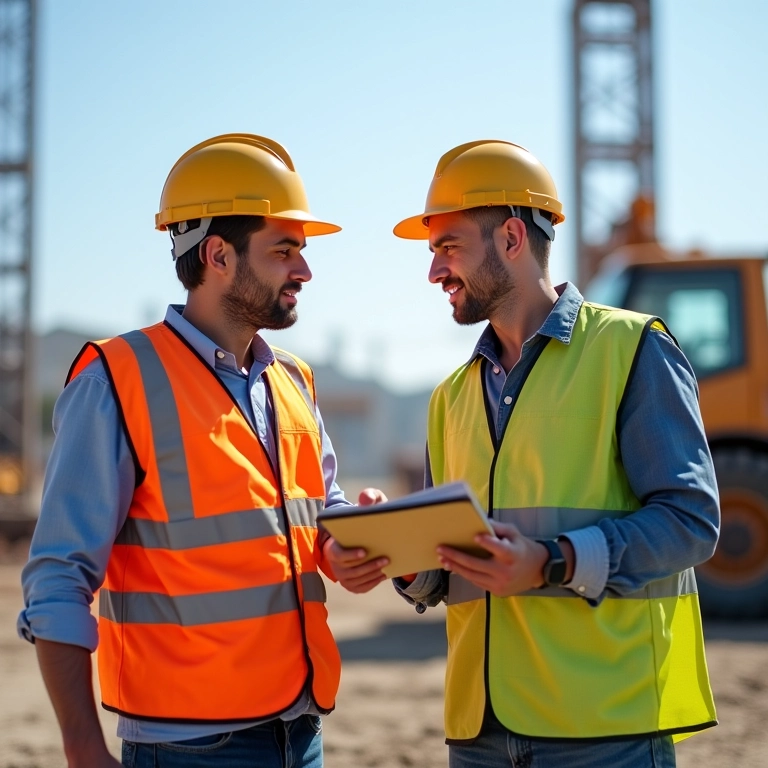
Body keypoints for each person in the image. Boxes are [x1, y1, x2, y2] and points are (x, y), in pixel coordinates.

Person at [17, 133, 389, 768]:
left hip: (301, 733)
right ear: (218, 254)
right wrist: (82, 745)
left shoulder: (293, 381)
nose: (304, 271)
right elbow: (58, 578)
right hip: (188, 746)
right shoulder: (115, 379)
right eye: (284, 251)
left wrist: (348, 542)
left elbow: (312, 518)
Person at [391, 139, 719, 767]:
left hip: (604, 730)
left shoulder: (631, 351)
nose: (434, 271)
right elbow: (447, 567)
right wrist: (397, 558)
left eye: (448, 247)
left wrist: (551, 561)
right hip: (480, 733)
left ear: (512, 239)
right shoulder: (451, 397)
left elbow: (691, 523)